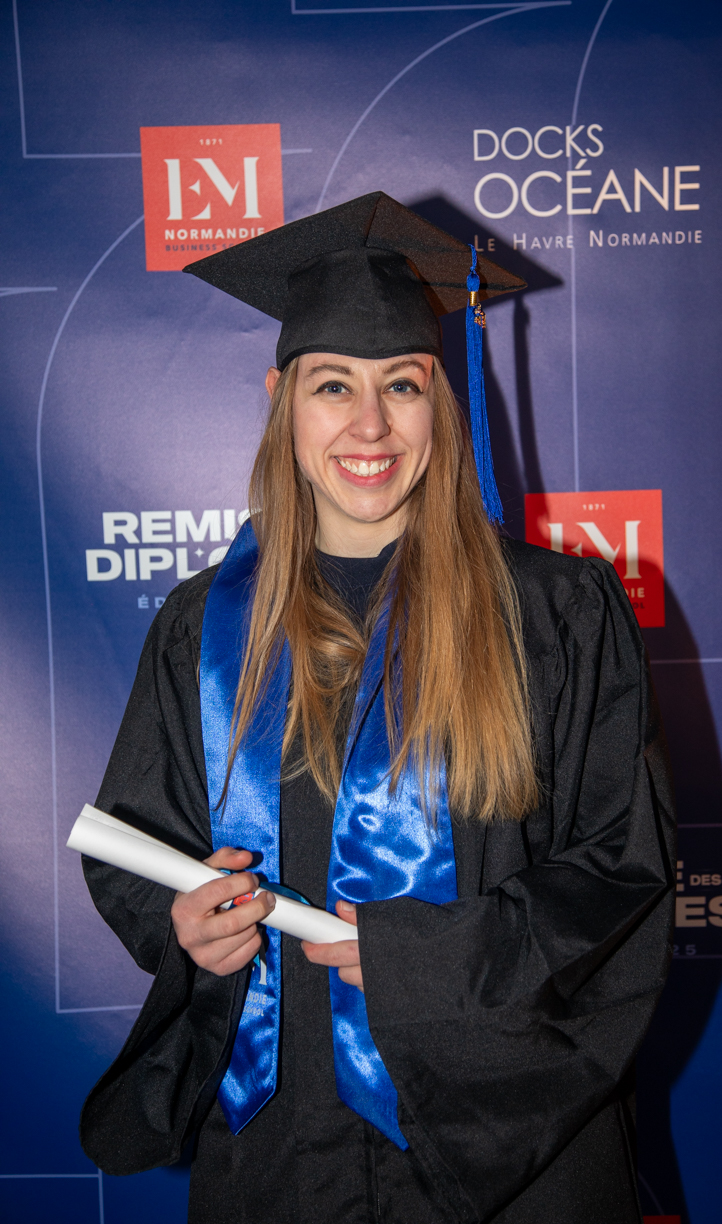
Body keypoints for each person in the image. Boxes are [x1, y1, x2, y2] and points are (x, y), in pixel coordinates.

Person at [80, 192, 675, 1224]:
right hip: (281, 1152)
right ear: (281, 399)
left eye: (402, 383)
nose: (370, 425)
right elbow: (139, 846)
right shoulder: (202, 630)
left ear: (440, 400)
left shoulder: (554, 615)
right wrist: (185, 928)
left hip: (507, 1148)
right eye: (333, 386)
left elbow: (622, 880)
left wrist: (422, 960)